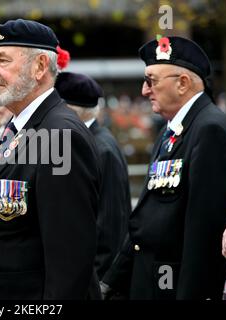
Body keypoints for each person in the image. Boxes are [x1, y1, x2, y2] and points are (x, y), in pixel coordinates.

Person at [0, 19, 101, 300]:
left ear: (40, 67)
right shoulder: (20, 127)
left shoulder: (60, 134)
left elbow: (69, 262)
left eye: (2, 60)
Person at [101, 36, 226, 300]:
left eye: (151, 80)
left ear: (183, 83)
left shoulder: (209, 129)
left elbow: (204, 234)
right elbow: (144, 219)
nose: (144, 90)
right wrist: (110, 281)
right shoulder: (173, 129)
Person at [55, 72, 132, 282]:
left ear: (70, 110)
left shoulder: (101, 148)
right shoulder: (85, 140)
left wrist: (99, 282)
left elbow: (110, 223)